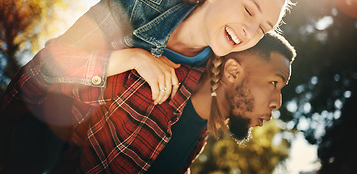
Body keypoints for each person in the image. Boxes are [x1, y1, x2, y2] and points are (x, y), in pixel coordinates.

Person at [4, 32, 294, 174]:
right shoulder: (150, 83)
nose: (277, 102)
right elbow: (42, 74)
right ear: (232, 71)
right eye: (274, 82)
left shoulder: (199, 136)